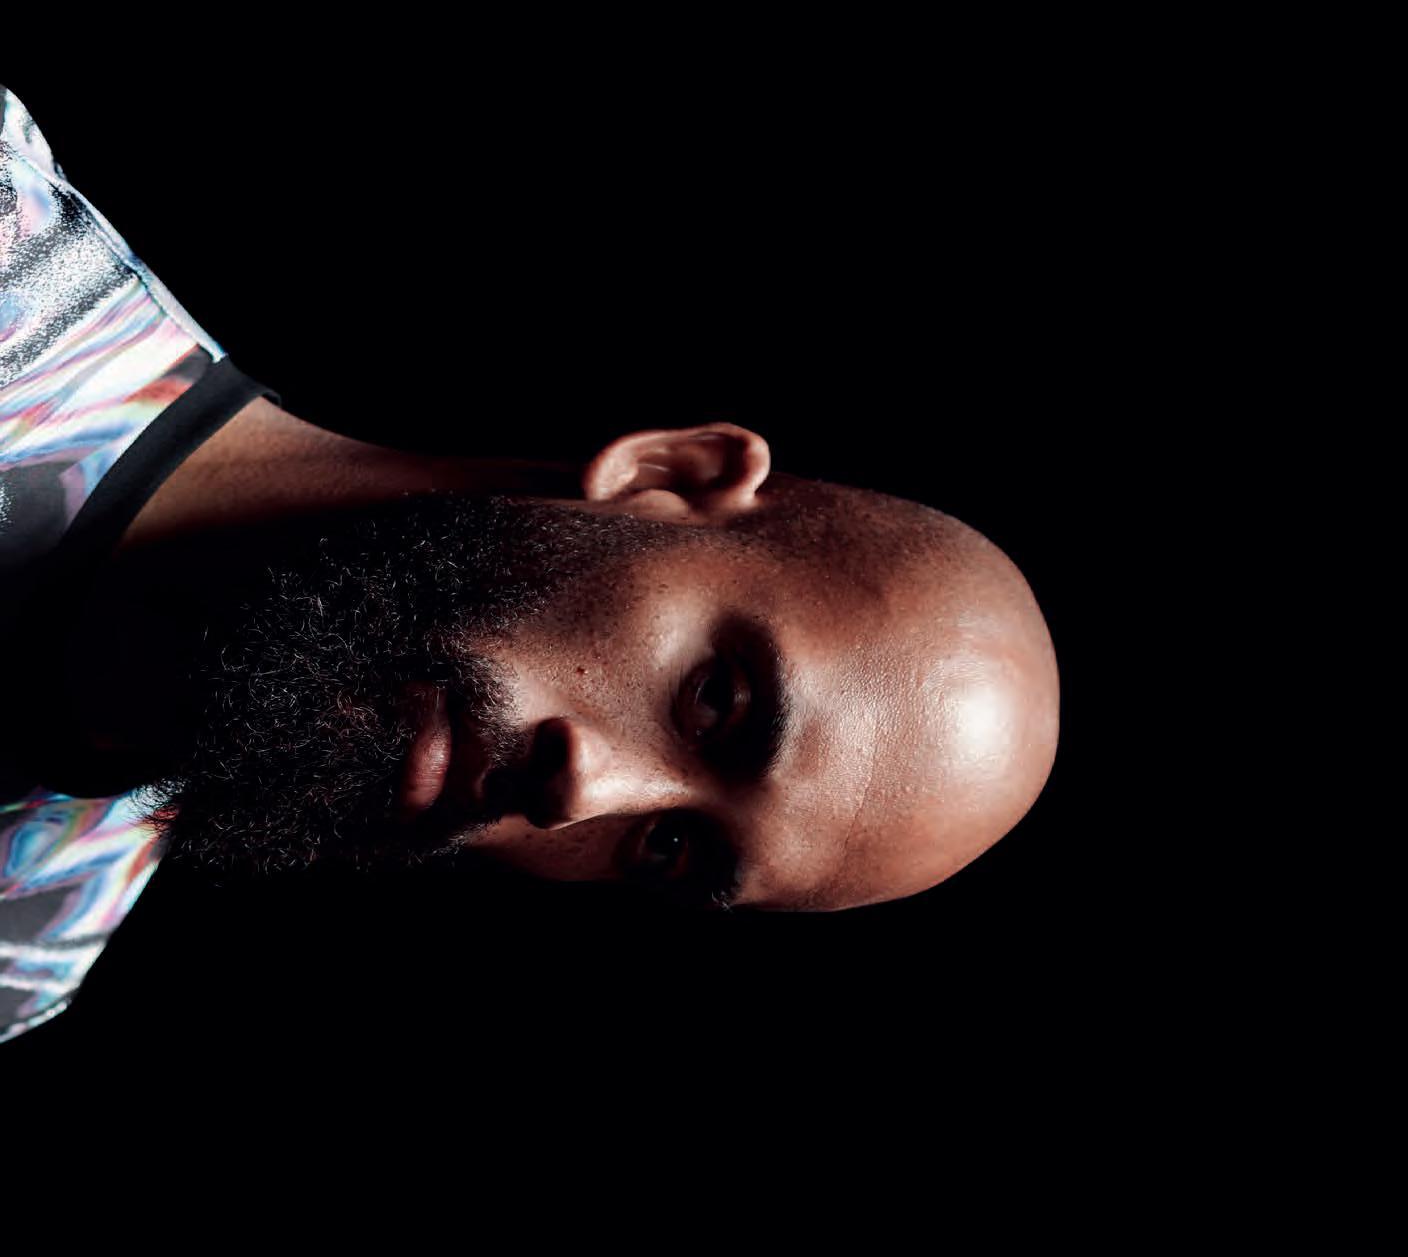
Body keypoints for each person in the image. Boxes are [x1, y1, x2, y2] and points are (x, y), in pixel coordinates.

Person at [0, 84, 1059, 1044]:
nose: (582, 796)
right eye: (716, 700)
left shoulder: (27, 950)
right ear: (669, 474)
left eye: (669, 850)